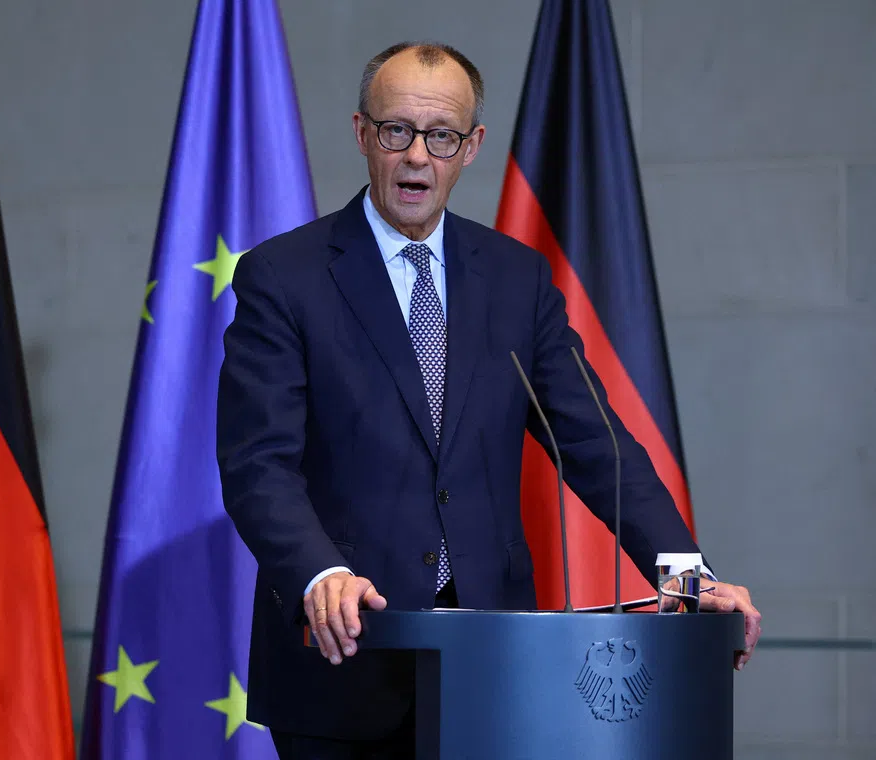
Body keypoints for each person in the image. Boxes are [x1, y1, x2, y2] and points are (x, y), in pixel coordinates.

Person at [216, 41, 762, 759]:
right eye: (396, 130)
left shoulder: (515, 279)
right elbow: (258, 464)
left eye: (441, 135)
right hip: (345, 654)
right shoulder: (284, 275)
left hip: (496, 663)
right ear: (362, 134)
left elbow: (595, 444)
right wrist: (321, 573)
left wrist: (686, 575)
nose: (417, 156)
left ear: (471, 146)